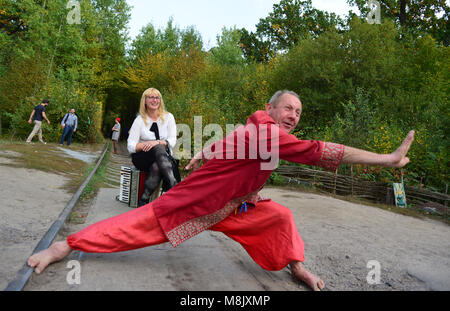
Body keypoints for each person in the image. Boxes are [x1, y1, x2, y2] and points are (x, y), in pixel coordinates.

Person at [27, 90, 415, 291]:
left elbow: (229, 140)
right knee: (132, 227)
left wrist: (203, 151)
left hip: (235, 207)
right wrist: (387, 157)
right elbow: (322, 152)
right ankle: (66, 246)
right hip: (198, 203)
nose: (294, 116)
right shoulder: (270, 134)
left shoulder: (259, 128)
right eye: (288, 109)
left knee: (279, 217)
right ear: (271, 109)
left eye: (298, 112)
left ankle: (296, 266)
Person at [127, 88, 178, 207]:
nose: (154, 100)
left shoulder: (169, 117)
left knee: (157, 165)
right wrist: (147, 145)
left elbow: (172, 140)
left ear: (160, 101)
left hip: (161, 158)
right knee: (159, 148)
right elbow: (130, 146)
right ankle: (174, 186)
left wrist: (157, 143)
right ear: (144, 101)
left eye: (157, 97)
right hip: (143, 157)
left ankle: (143, 201)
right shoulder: (139, 120)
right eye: (151, 97)